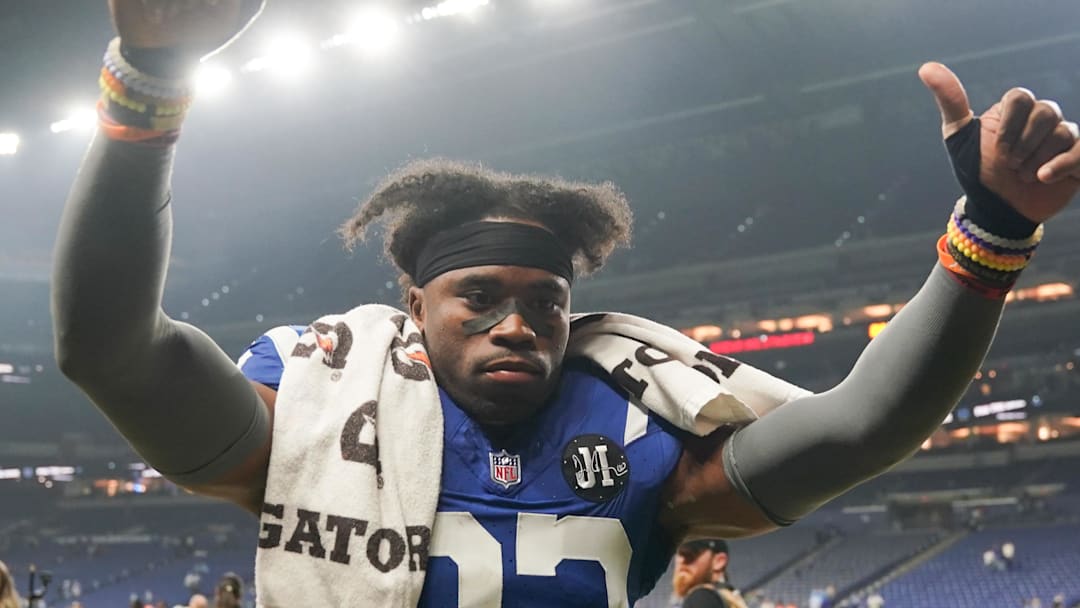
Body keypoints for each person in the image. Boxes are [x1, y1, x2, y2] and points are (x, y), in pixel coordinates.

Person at [51, 0, 1080, 606]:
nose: (517, 323)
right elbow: (111, 349)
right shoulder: (320, 408)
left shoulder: (642, 428)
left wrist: (991, 231)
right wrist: (149, 79)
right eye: (479, 296)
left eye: (546, 303)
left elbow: (863, 422)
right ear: (413, 304)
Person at [671, 539, 747, 608]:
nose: (682, 561)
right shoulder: (730, 597)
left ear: (719, 561)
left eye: (690, 555)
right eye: (680, 554)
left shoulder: (701, 597)